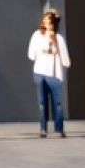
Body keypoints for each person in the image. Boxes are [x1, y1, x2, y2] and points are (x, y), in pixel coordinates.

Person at [27, 9, 70, 138]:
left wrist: (54, 41)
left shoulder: (59, 38)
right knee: (42, 102)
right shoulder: (36, 35)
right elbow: (31, 55)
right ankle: (43, 129)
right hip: (40, 73)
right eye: (44, 21)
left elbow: (66, 60)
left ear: (53, 23)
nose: (45, 23)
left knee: (58, 103)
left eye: (48, 21)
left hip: (54, 74)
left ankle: (59, 128)